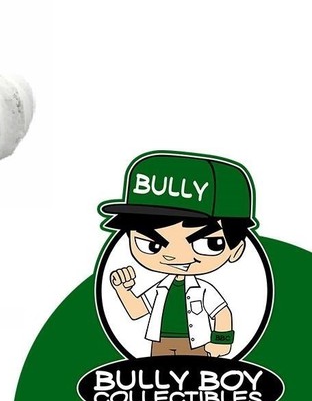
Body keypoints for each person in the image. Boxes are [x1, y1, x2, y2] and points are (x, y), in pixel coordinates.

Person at [100, 152, 256, 357]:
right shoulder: (160, 288)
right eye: (152, 244)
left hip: (195, 345)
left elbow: (222, 313)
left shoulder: (204, 291)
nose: (173, 255)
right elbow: (137, 311)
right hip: (160, 343)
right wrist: (122, 289)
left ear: (236, 250)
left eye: (208, 244)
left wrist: (222, 342)